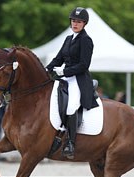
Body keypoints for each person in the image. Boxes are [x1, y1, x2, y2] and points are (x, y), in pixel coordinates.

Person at [46, 7, 98, 159]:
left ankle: (70, 142)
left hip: (79, 79)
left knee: (71, 106)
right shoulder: (69, 39)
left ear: (84, 24)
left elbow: (84, 65)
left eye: (79, 22)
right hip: (65, 77)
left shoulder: (86, 40)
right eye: (74, 21)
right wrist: (47, 69)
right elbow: (58, 58)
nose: (75, 24)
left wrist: (65, 71)